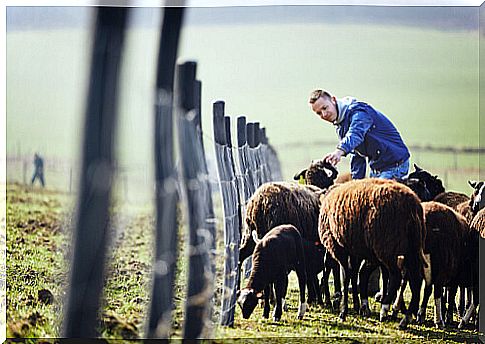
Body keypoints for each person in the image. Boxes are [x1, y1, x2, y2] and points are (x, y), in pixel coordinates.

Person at [309, 89, 410, 180]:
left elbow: (356, 134)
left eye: (325, 108)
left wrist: (339, 151)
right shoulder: (341, 125)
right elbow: (356, 154)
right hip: (376, 169)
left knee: (377, 199)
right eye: (319, 113)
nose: (324, 114)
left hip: (395, 166)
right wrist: (356, 183)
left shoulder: (359, 112)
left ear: (333, 100)